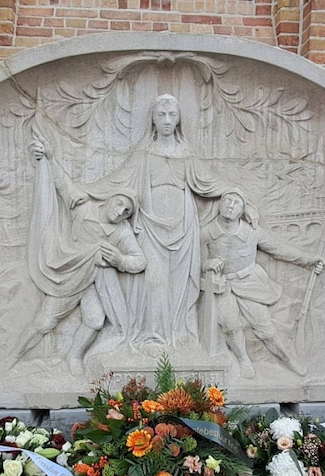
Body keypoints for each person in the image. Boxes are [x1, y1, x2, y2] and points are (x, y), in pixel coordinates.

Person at [104, 93, 245, 350]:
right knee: (154, 281)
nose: (167, 120)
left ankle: (179, 336)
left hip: (183, 229)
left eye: (172, 115)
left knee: (180, 285)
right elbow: (116, 181)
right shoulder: (144, 153)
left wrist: (242, 200)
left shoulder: (186, 153)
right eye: (161, 115)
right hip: (150, 227)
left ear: (178, 119)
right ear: (153, 119)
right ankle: (152, 338)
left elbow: (209, 183)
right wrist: (76, 191)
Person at [16, 138, 147, 375]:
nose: (120, 211)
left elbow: (139, 261)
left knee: (95, 320)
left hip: (92, 282)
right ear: (109, 198)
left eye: (127, 211)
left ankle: (74, 356)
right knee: (45, 322)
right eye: (119, 203)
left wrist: (119, 260)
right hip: (67, 276)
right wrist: (48, 157)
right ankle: (14, 357)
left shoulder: (122, 232)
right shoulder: (83, 207)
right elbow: (63, 184)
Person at [200, 191, 324, 378]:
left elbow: (278, 249)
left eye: (236, 203)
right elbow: (197, 261)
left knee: (265, 327)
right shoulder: (207, 232)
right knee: (229, 324)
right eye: (227, 200)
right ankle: (243, 360)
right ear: (219, 204)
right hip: (222, 286)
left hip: (250, 283)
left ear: (243, 210)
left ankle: (288, 359)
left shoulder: (252, 232)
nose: (230, 206)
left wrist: (307, 260)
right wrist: (207, 264)